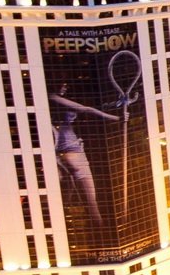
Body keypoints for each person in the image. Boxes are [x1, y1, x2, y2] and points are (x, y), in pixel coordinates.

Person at [51, 82, 119, 233]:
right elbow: (86, 109)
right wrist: (116, 118)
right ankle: (103, 236)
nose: (65, 86)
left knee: (76, 198)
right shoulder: (52, 97)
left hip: (67, 151)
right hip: (73, 151)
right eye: (62, 83)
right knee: (91, 205)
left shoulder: (50, 101)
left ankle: (83, 232)